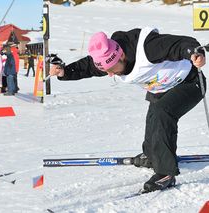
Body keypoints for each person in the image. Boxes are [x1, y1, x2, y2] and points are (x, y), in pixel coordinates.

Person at [49, 27, 206, 193]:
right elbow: (89, 66)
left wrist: (194, 53)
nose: (110, 75)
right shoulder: (110, 57)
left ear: (122, 55)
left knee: (162, 113)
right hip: (161, 88)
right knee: (153, 116)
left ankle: (165, 172)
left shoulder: (147, 47)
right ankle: (153, 156)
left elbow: (180, 44)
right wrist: (65, 71)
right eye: (106, 71)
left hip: (190, 82)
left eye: (111, 70)